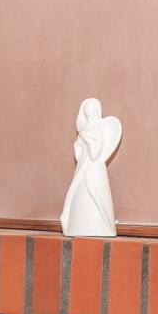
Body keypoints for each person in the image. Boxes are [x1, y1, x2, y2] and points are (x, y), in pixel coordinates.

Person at [60, 98, 120, 237]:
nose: (88, 108)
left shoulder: (98, 129)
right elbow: (78, 155)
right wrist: (77, 144)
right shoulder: (82, 129)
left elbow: (95, 154)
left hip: (93, 170)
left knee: (95, 193)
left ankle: (102, 226)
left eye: (91, 106)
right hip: (82, 169)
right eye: (85, 107)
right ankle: (77, 226)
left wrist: (85, 138)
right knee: (79, 196)